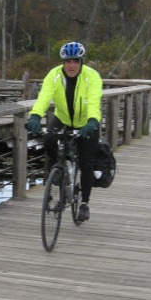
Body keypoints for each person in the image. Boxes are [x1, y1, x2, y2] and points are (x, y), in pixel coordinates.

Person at [26, 41, 103, 221]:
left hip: (86, 122)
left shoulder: (92, 76)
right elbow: (44, 97)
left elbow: (93, 101)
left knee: (86, 163)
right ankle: (60, 169)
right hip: (63, 119)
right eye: (67, 61)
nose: (71, 65)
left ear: (81, 61)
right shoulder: (53, 75)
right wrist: (36, 116)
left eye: (75, 61)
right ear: (63, 62)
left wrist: (92, 121)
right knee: (48, 141)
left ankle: (84, 202)